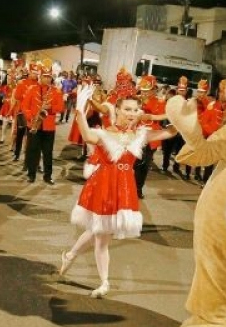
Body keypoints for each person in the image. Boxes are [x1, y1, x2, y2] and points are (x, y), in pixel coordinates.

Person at [59, 86, 177, 297]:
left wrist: (179, 115)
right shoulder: (105, 134)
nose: (132, 114)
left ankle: (70, 255)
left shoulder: (141, 135)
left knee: (99, 229)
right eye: (128, 109)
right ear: (118, 110)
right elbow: (86, 135)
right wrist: (79, 109)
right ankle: (104, 282)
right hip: (103, 186)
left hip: (123, 187)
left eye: (135, 110)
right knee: (102, 236)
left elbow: (170, 132)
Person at [22, 69, 64, 185]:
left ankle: (48, 176)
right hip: (34, 124)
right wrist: (31, 117)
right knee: (32, 151)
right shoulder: (32, 89)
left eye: (49, 77)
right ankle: (31, 174)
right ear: (40, 77)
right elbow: (25, 106)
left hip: (48, 127)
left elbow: (60, 107)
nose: (47, 79)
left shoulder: (56, 91)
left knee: (48, 152)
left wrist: (50, 107)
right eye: (44, 76)